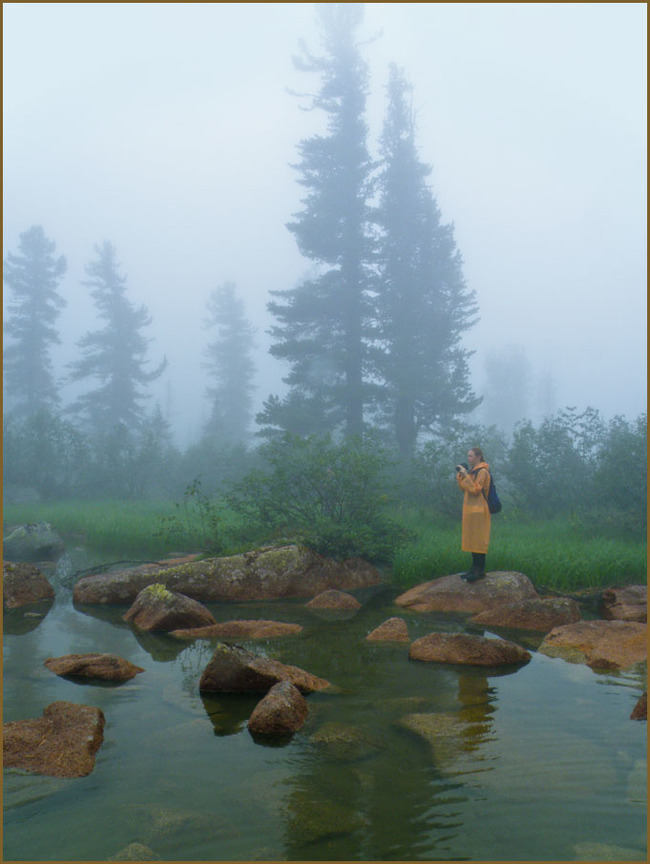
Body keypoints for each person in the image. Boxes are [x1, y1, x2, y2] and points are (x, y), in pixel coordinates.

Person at [456, 446, 492, 582]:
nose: (468, 458)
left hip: (479, 509)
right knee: (471, 538)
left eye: (471, 456)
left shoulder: (483, 472)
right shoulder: (472, 471)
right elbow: (463, 487)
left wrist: (466, 475)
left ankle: (480, 570)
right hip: (470, 509)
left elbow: (475, 489)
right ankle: (473, 568)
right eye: (468, 456)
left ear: (478, 457)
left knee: (479, 540)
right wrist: (461, 474)